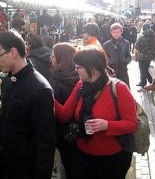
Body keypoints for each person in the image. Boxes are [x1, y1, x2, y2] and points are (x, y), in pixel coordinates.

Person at [0, 31, 56, 179]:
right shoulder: (8, 81)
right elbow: (7, 113)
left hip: (26, 168)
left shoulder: (40, 89)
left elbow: (46, 142)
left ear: (13, 52)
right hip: (7, 161)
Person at [55, 47, 137, 179]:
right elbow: (65, 114)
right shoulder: (81, 85)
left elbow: (132, 124)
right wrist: (46, 95)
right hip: (83, 155)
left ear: (92, 68)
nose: (75, 70)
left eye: (78, 66)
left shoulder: (119, 88)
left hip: (112, 159)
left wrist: (107, 125)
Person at [49, 42, 79, 179]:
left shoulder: (56, 81)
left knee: (68, 167)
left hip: (63, 133)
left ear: (62, 60)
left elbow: (57, 113)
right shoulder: (80, 76)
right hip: (79, 131)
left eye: (54, 57)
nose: (51, 59)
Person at [103, 23, 131, 87]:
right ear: (111, 32)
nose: (116, 34)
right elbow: (104, 57)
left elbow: (128, 55)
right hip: (111, 70)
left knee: (124, 88)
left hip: (123, 70)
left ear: (121, 32)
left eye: (118, 32)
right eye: (114, 32)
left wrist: (125, 61)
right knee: (112, 89)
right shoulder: (106, 45)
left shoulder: (126, 43)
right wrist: (110, 61)